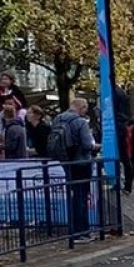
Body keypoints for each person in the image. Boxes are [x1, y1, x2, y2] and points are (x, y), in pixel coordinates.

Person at [52, 98, 98, 241]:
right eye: (85, 109)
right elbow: (87, 144)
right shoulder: (80, 122)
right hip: (81, 162)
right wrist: (95, 146)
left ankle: (73, 230)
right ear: (82, 108)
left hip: (66, 161)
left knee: (73, 195)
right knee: (81, 197)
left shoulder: (57, 119)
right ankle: (82, 231)